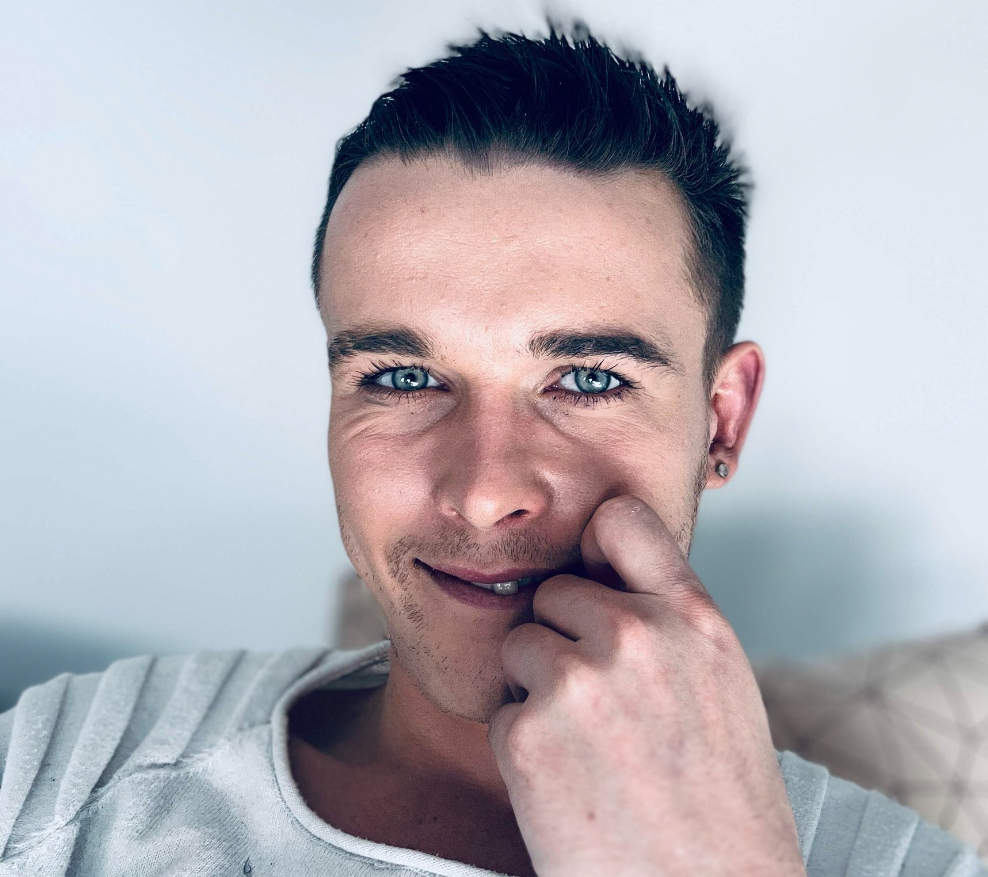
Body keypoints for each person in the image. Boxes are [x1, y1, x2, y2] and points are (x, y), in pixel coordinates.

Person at [0, 18, 983, 877]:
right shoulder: (76, 755)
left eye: (587, 379)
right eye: (400, 377)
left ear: (720, 420)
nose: (482, 492)